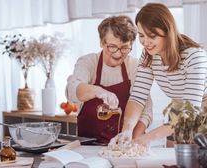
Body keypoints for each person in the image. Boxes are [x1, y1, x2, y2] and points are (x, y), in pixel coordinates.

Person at [110, 3, 207, 146]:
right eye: (141, 35)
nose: (145, 42)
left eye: (152, 36)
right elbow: (138, 96)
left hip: (200, 111)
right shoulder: (149, 55)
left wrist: (148, 138)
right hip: (178, 110)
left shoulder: (194, 57)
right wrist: (127, 129)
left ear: (168, 31)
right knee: (172, 160)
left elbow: (190, 113)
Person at [66, 15, 152, 144]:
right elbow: (72, 91)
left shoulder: (135, 66)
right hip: (89, 147)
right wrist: (98, 91)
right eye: (112, 46)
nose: (118, 54)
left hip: (126, 146)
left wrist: (130, 138)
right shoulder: (88, 62)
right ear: (101, 42)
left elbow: (146, 109)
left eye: (124, 48)